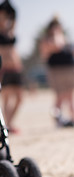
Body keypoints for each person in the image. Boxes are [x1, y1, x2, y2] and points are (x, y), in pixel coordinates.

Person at [40, 16, 74, 127]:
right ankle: (57, 121)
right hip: (56, 71)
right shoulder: (47, 40)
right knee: (60, 96)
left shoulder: (64, 37)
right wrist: (57, 35)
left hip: (69, 69)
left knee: (71, 96)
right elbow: (57, 46)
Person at [0, 0, 23, 134]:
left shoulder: (9, 31)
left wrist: (11, 11)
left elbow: (14, 18)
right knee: (7, 98)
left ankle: (8, 124)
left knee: (19, 98)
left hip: (16, 67)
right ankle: (5, 127)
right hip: (5, 68)